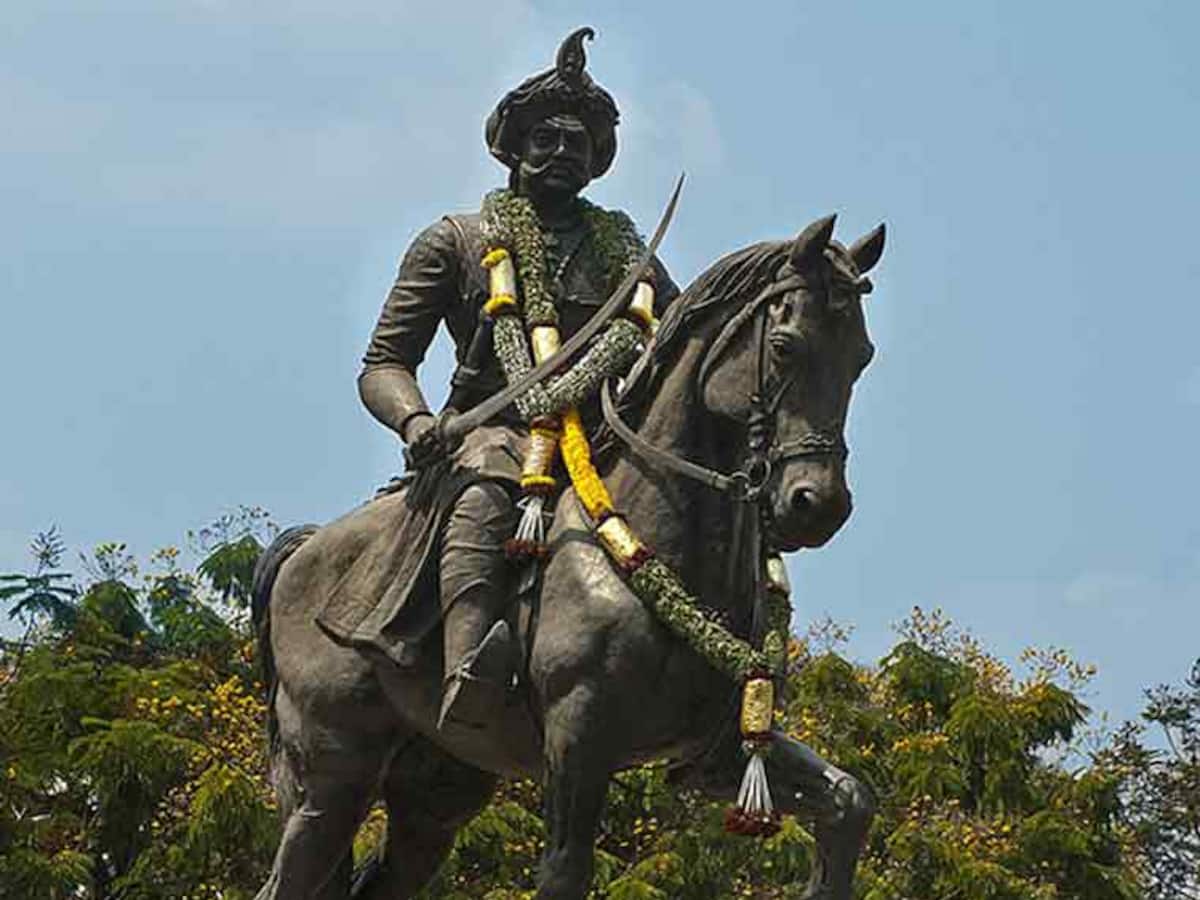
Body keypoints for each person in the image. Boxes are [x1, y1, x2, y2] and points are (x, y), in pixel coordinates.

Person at [357, 28, 678, 729]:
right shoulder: (457, 240)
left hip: (607, 437)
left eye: (579, 144)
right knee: (489, 478)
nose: (563, 153)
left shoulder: (633, 261)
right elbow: (383, 364)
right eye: (546, 139)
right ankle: (468, 665)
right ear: (513, 147)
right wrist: (416, 421)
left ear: (598, 162)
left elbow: (681, 346)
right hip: (495, 429)